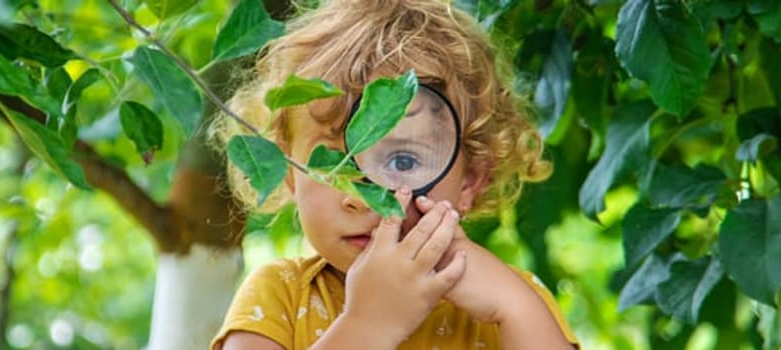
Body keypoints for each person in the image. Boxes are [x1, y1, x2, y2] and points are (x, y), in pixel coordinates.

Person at [208, 0, 577, 349]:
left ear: (469, 181)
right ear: (288, 172)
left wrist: (515, 309)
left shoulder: (512, 302)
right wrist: (368, 324)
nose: (359, 196)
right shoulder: (277, 299)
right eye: (329, 161)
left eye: (402, 162)